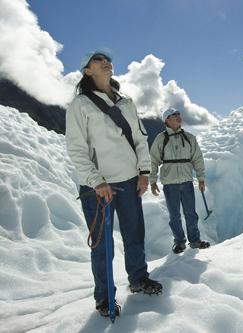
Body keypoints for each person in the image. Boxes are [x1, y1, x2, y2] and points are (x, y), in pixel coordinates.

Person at [65, 50, 162, 317]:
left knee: (134, 235)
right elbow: (76, 149)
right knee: (102, 246)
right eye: (97, 60)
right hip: (97, 188)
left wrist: (144, 172)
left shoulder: (126, 102)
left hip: (129, 181)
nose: (105, 61)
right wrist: (96, 181)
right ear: (87, 71)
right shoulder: (80, 105)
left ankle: (139, 278)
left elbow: (141, 139)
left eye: (107, 59)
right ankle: (104, 297)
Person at [150, 108, 210, 254]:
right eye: (174, 115)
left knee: (191, 213)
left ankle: (195, 241)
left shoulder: (189, 138)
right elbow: (153, 160)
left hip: (187, 181)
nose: (178, 117)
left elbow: (197, 158)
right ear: (167, 120)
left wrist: (201, 178)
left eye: (179, 115)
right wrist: (152, 181)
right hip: (170, 183)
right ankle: (179, 243)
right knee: (174, 216)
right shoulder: (160, 138)